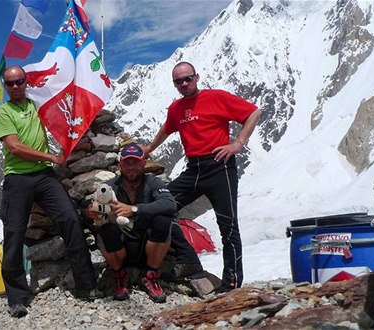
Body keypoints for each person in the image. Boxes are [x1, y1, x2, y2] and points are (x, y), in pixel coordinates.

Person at [143, 61, 262, 292]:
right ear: (174, 84)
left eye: (188, 78)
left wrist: (237, 143)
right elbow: (167, 129)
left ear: (197, 77)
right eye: (179, 81)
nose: (184, 84)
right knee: (160, 208)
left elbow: (253, 112)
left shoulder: (217, 97)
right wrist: (148, 149)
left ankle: (231, 284)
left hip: (220, 166)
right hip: (193, 170)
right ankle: (187, 260)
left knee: (228, 227)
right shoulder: (176, 108)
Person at [0, 65, 100, 318]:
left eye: (20, 81)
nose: (16, 86)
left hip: (44, 176)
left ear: (26, 82)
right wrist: (51, 156)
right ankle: (17, 298)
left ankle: (86, 285)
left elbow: (62, 107)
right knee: (14, 233)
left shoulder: (36, 105)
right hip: (17, 177)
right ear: (5, 87)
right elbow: (15, 147)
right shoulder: (3, 111)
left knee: (70, 219)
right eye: (11, 83)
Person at [85, 143, 175, 303]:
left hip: (146, 244)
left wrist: (133, 209)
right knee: (106, 231)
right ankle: (119, 275)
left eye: (136, 162)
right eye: (127, 163)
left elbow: (170, 204)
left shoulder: (152, 182)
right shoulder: (110, 187)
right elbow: (90, 211)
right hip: (121, 245)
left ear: (143, 163)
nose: (131, 167)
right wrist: (91, 212)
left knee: (163, 221)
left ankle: (151, 275)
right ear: (120, 164)